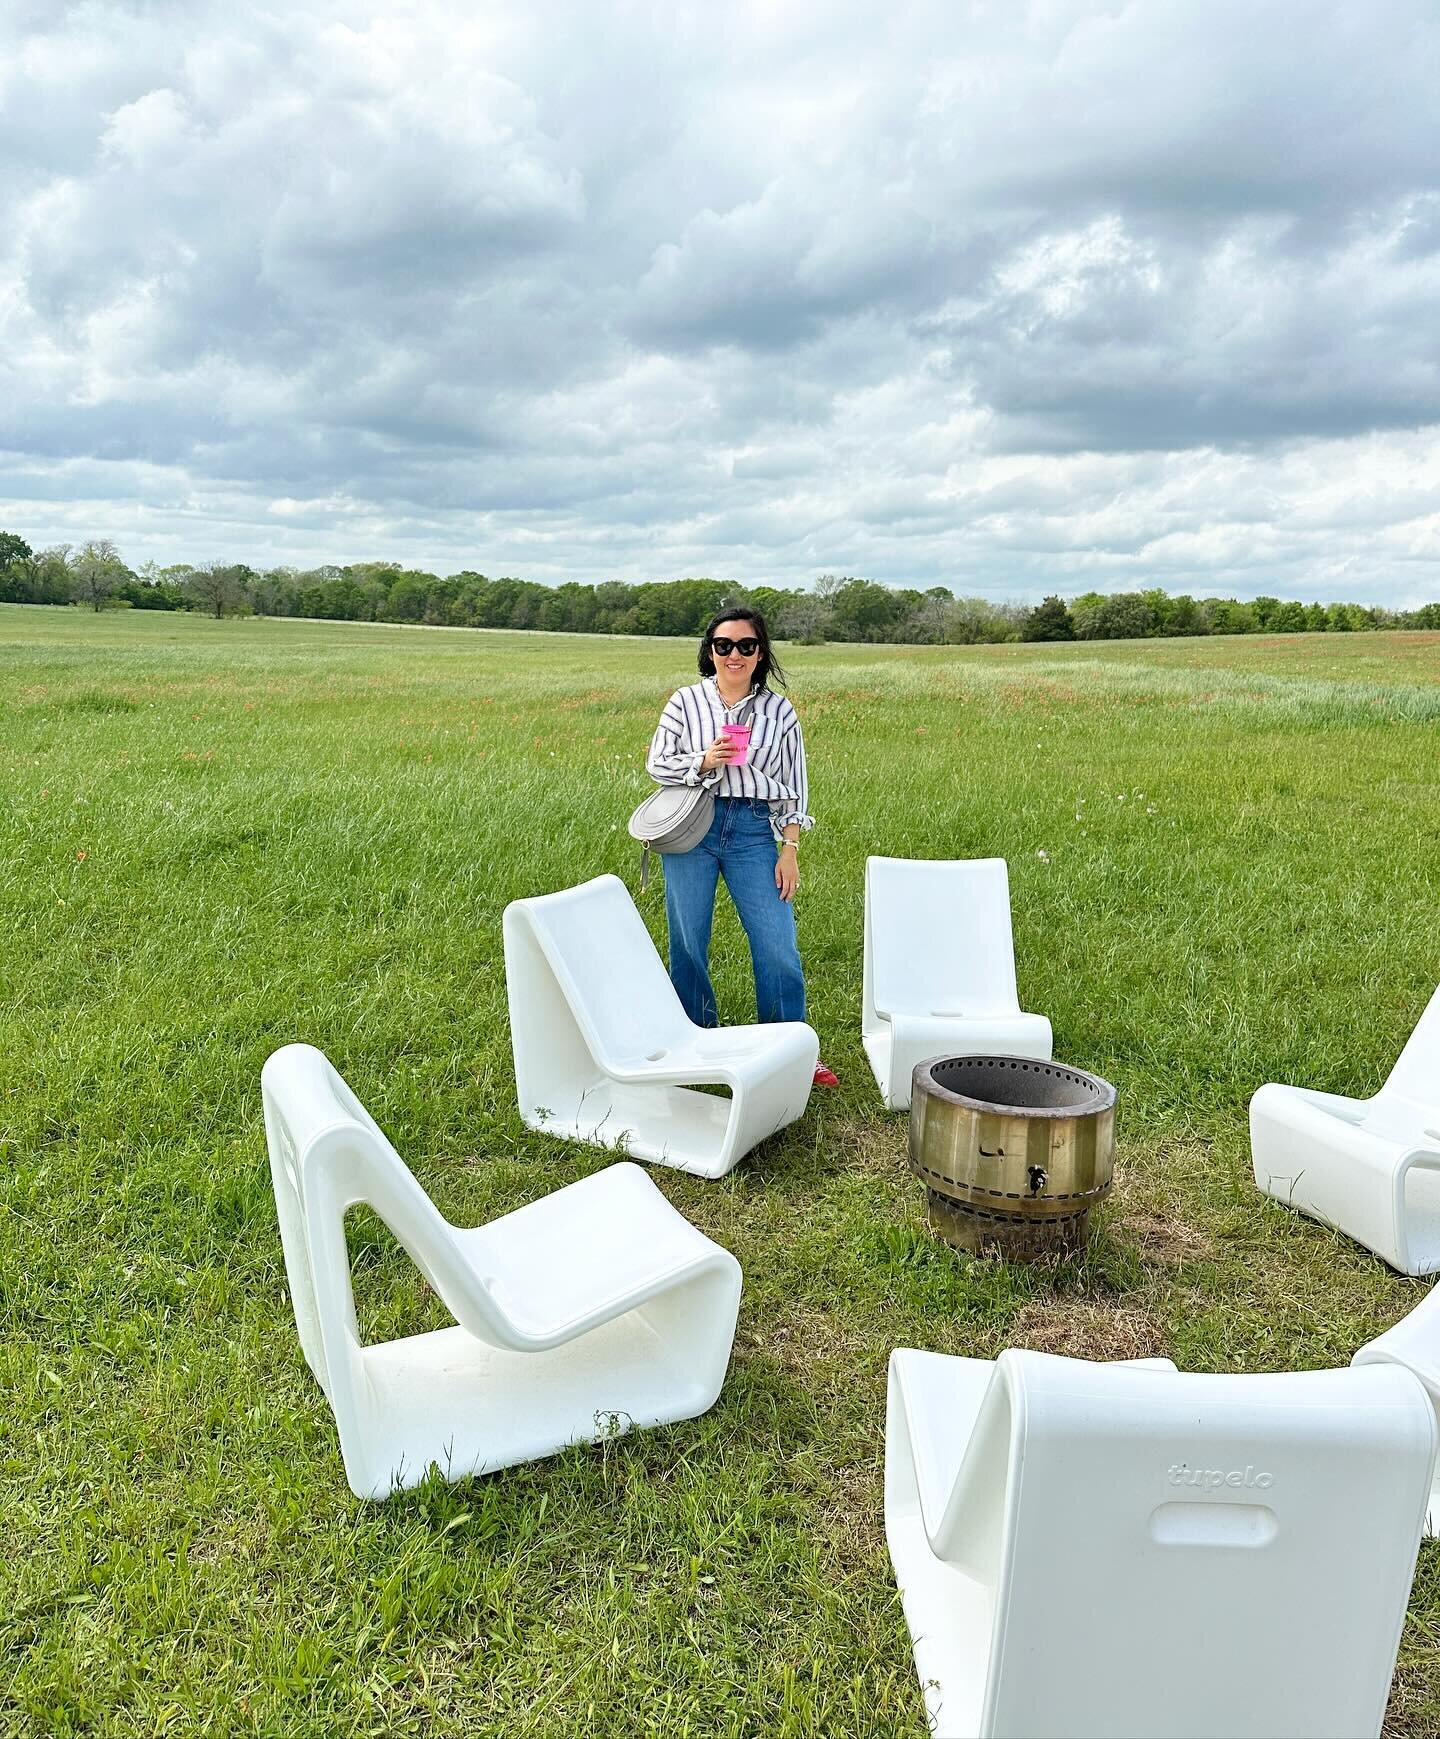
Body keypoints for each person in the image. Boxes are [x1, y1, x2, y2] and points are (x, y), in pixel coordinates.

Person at [646, 606, 838, 1087]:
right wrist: (705, 759)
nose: (734, 654)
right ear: (710, 652)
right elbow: (657, 764)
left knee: (776, 944)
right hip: (694, 823)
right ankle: (697, 1041)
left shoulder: (779, 711)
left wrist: (789, 848)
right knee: (688, 940)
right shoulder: (685, 702)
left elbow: (794, 784)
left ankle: (789, 1049)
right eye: (723, 645)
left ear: (760, 653)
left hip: (753, 829)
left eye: (745, 646)